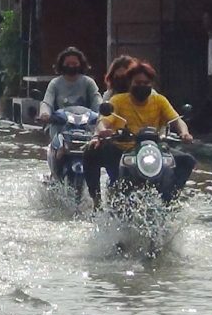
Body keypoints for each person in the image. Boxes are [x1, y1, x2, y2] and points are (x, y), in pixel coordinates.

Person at [82, 61, 196, 203]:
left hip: (154, 149)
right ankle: (96, 200)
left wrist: (184, 133)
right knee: (90, 151)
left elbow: (176, 120)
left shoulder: (159, 100)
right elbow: (103, 121)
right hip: (123, 149)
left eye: (146, 83)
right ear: (130, 83)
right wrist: (103, 132)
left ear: (152, 84)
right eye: (138, 82)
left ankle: (170, 200)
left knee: (187, 160)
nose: (142, 86)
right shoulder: (117, 100)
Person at [36, 47, 102, 178]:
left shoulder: (88, 82)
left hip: (86, 127)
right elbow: (47, 102)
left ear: (81, 65)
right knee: (58, 144)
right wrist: (45, 114)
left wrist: (103, 113)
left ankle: (95, 183)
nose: (71, 67)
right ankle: (56, 172)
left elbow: (97, 100)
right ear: (62, 65)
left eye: (75, 64)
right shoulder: (55, 83)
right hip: (61, 126)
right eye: (68, 64)